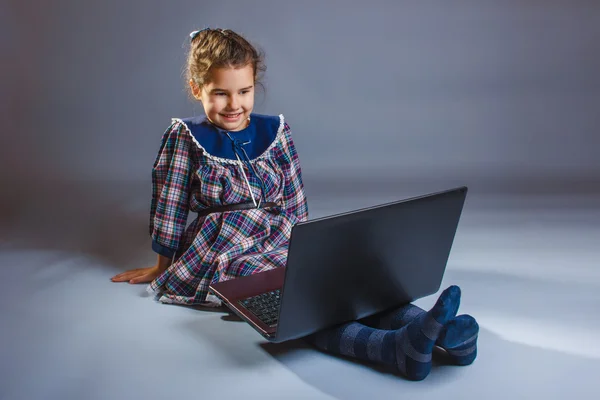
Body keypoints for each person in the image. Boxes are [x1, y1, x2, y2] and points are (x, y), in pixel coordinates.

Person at [111, 27, 479, 381]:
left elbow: (293, 197)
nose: (234, 104)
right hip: (224, 246)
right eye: (220, 93)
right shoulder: (186, 137)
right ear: (197, 89)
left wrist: (310, 250)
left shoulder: (275, 131)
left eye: (244, 91)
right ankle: (391, 349)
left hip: (280, 236)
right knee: (296, 309)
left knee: (339, 284)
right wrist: (163, 264)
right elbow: (169, 203)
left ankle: (440, 332)